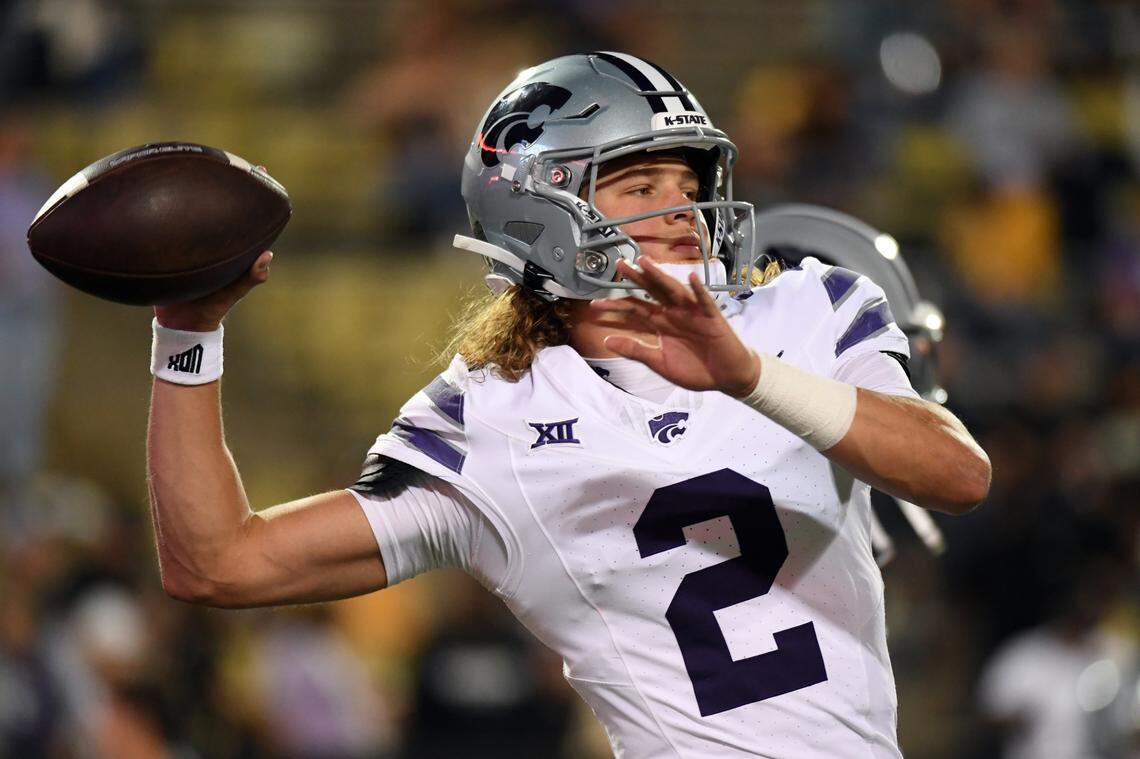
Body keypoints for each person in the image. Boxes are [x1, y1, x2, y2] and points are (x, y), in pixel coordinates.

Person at [146, 53, 991, 758]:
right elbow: (217, 563)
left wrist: (748, 377)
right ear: (543, 206)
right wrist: (187, 334)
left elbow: (957, 472)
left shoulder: (805, 312)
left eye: (689, 178)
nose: (686, 211)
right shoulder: (493, 420)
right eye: (641, 183)